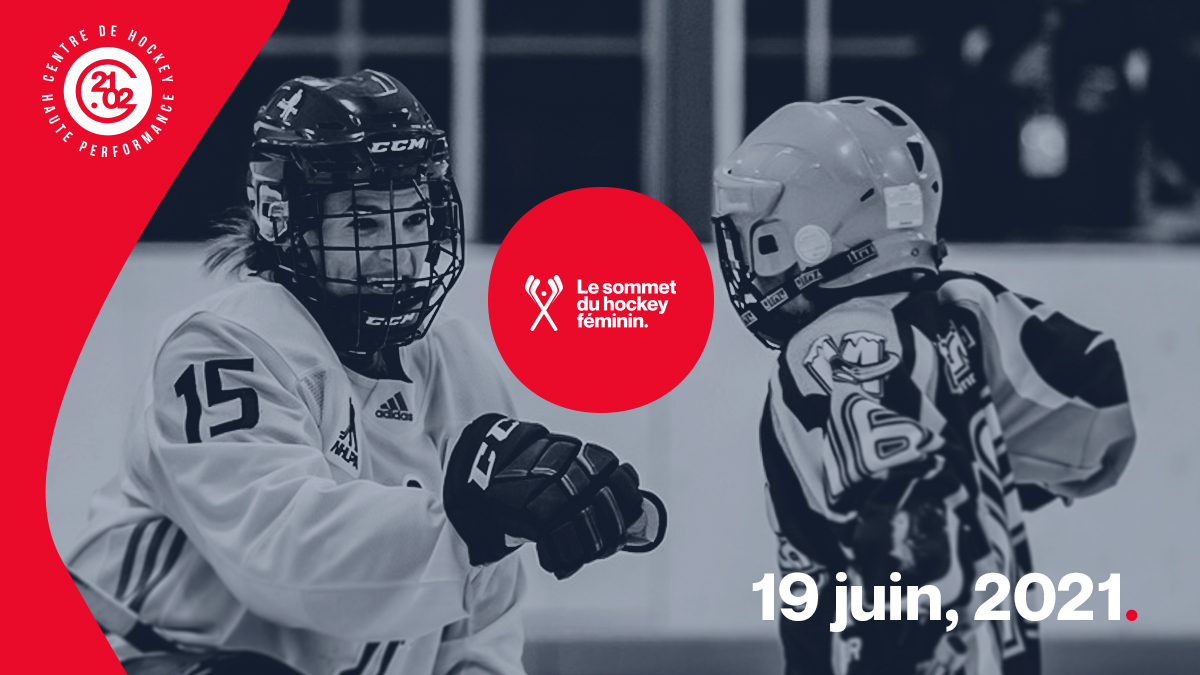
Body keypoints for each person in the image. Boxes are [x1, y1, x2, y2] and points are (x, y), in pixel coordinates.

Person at [64, 70, 665, 675]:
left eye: (414, 221)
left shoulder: (453, 363)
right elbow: (282, 559)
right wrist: (475, 527)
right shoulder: (224, 345)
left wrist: (491, 537)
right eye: (363, 224)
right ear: (283, 221)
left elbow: (481, 624)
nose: (398, 257)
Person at [712, 97, 1134, 675]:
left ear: (806, 238)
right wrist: (985, 483)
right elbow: (1099, 415)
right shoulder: (967, 310)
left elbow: (911, 533)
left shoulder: (829, 350)